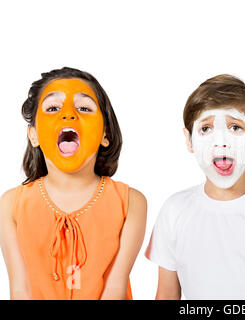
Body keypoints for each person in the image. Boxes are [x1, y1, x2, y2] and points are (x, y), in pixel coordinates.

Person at [146, 74, 245, 299]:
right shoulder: (174, 209)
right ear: (189, 140)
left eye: (235, 127)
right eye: (205, 129)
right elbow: (166, 294)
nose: (221, 141)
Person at [0, 67, 147, 300]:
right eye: (53, 108)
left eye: (84, 108)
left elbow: (115, 288)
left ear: (104, 134)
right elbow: (20, 290)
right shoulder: (11, 204)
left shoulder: (131, 203)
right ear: (34, 135)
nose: (68, 115)